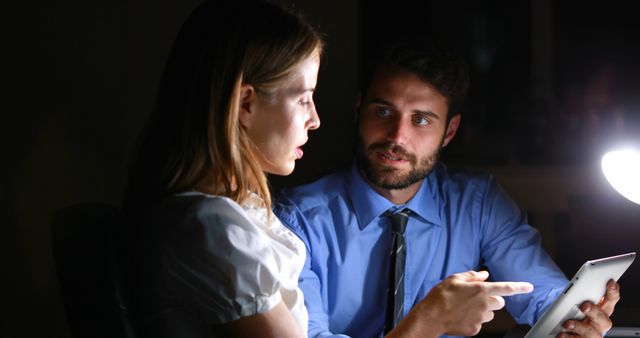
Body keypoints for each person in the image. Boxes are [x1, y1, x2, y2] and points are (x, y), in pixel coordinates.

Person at [274, 42, 621, 338]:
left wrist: (580, 317)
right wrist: (429, 320)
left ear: (450, 131)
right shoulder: (296, 220)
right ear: (358, 110)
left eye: (421, 120)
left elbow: (543, 296)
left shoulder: (478, 203)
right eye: (383, 111)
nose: (397, 136)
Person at [122, 1, 324, 337]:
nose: (314, 120)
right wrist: (425, 322)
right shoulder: (214, 230)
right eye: (303, 98)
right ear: (246, 104)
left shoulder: (225, 214)